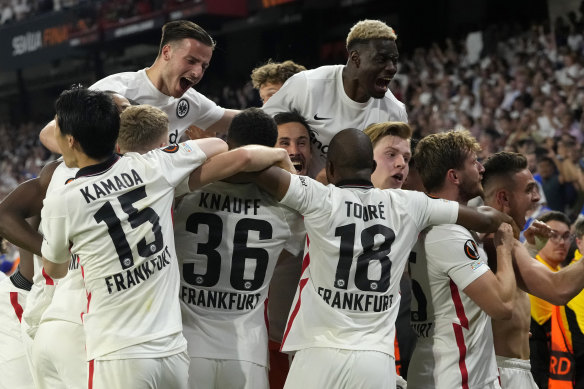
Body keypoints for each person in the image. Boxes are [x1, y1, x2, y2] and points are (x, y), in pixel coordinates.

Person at [38, 88, 287, 388]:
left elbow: (55, 269)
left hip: (118, 352)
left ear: (70, 140)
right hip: (172, 351)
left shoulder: (63, 199)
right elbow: (235, 151)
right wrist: (281, 155)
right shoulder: (154, 166)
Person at [236, 128, 513, 388]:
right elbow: (485, 218)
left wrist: (279, 155)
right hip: (375, 359)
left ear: (330, 170)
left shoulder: (317, 197)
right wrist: (504, 225)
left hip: (318, 352)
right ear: (371, 168)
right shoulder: (410, 205)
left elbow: (250, 163)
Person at [174, 108, 304, 389]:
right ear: (270, 150)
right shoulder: (287, 210)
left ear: (228, 142)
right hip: (248, 352)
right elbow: (298, 196)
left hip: (187, 346)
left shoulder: (185, 191)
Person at [407, 130, 516, 389]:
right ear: (453, 176)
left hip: (438, 366)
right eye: (473, 162)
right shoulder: (448, 234)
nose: (481, 168)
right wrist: (503, 248)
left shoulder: (424, 222)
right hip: (456, 375)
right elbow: (502, 306)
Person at [39, 20, 239, 152]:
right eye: (191, 61)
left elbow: (241, 121)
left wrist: (271, 105)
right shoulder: (117, 91)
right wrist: (104, 158)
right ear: (167, 52)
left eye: (204, 66)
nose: (197, 73)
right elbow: (49, 133)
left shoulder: (191, 102)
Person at [481, 151, 584, 388]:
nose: (536, 198)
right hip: (503, 372)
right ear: (504, 198)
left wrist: (528, 249)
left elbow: (510, 279)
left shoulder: (494, 241)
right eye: (529, 190)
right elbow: (559, 289)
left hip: (504, 368)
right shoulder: (498, 239)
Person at [262, 19, 408, 178]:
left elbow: (396, 171)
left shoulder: (394, 113)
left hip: (355, 200)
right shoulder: (307, 86)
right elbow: (257, 131)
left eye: (394, 60)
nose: (392, 68)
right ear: (355, 58)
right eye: (381, 59)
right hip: (298, 195)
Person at [363, 121, 415, 383]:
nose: (401, 164)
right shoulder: (331, 203)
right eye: (391, 154)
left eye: (406, 158)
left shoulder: (412, 209)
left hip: (390, 351)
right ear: (365, 158)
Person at [268, 111, 313, 389]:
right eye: (284, 143)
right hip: (271, 344)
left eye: (302, 142)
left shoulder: (328, 197)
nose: (294, 151)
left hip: (314, 347)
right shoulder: (254, 200)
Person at [529, 211, 575, 388]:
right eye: (553, 236)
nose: (562, 242)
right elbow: (560, 322)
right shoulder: (536, 268)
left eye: (566, 236)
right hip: (543, 363)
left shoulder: (559, 269)